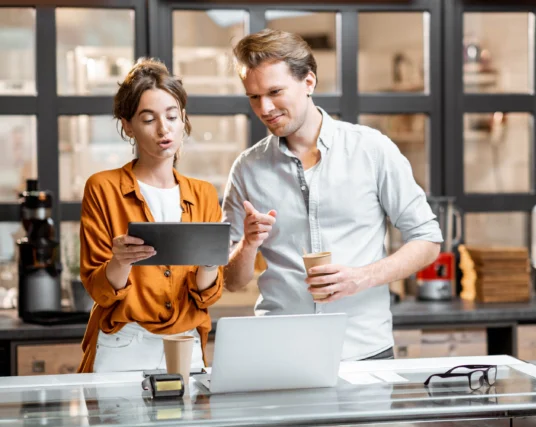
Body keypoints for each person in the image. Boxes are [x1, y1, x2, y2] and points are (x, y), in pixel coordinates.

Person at [221, 29, 443, 361]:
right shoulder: (247, 168)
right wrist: (248, 244)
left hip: (364, 349)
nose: (264, 108)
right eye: (254, 97)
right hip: (280, 351)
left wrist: (361, 277)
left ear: (308, 81)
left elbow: (427, 240)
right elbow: (231, 281)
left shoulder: (371, 149)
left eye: (275, 92)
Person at [77, 58, 224, 373]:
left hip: (186, 343)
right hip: (124, 343)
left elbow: (206, 294)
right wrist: (120, 261)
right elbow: (99, 290)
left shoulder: (204, 194)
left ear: (183, 119)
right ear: (127, 125)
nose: (164, 129)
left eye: (172, 116)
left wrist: (211, 261)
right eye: (148, 119)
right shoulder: (102, 188)